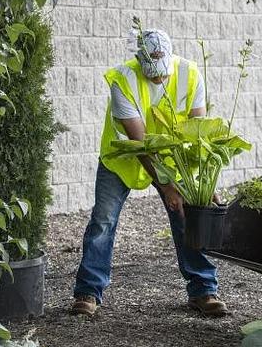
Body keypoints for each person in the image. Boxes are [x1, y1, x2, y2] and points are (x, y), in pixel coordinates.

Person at [69, 29, 228, 318]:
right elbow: (141, 145)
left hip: (174, 158)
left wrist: (206, 185)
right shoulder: (122, 79)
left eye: (162, 72)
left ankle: (203, 289)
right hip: (125, 157)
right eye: (151, 72)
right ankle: (88, 291)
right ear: (138, 60)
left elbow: (200, 135)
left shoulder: (190, 74)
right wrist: (167, 187)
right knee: (103, 220)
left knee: (188, 215)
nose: (157, 78)